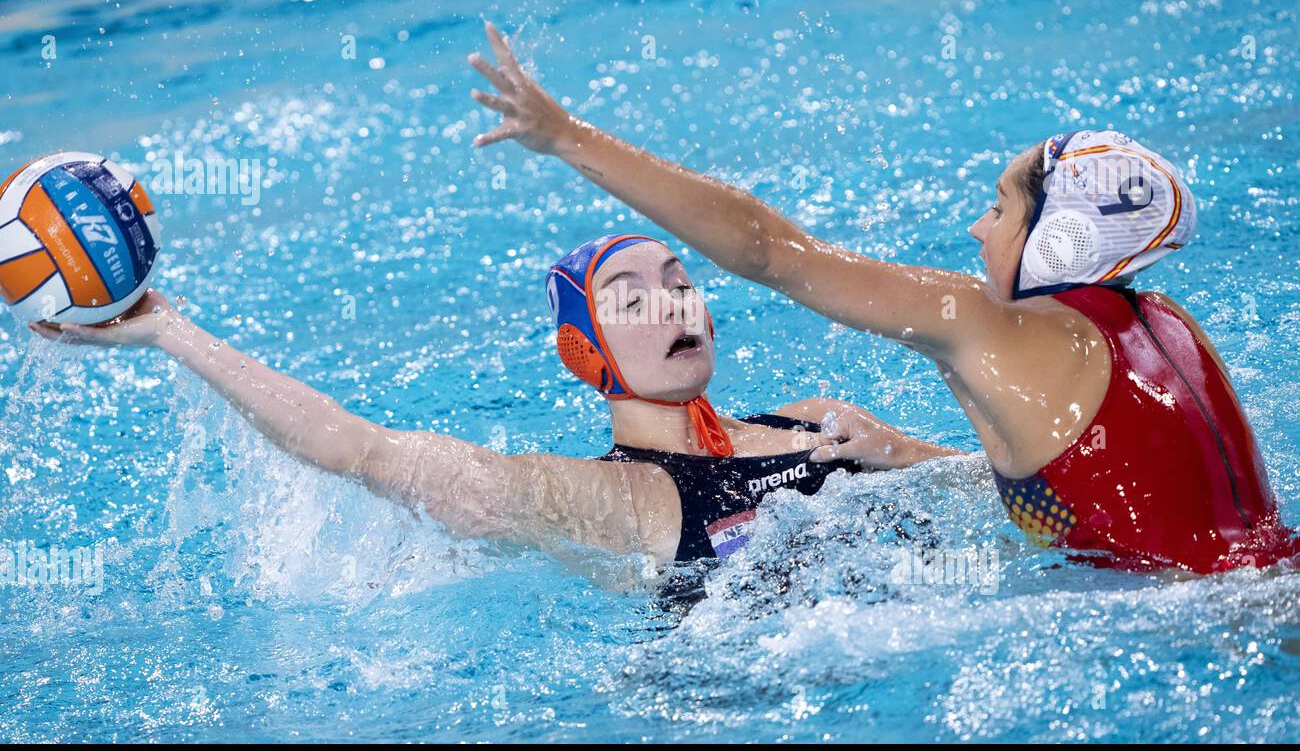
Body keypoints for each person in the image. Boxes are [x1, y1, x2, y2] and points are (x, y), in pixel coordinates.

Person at [467, 20, 1299, 574]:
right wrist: (902, 456)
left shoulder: (991, 329)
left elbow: (768, 249)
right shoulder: (1167, 327)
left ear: (1063, 243)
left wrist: (566, 136)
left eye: (1002, 209)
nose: (979, 229)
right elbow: (1107, 493)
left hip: (1201, 631)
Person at [30, 235, 956, 568]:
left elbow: (996, 483)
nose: (674, 302)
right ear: (583, 352)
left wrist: (902, 457)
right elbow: (361, 451)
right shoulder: (603, 500)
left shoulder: (825, 421)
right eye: (632, 299)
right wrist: (171, 333)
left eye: (680, 280)